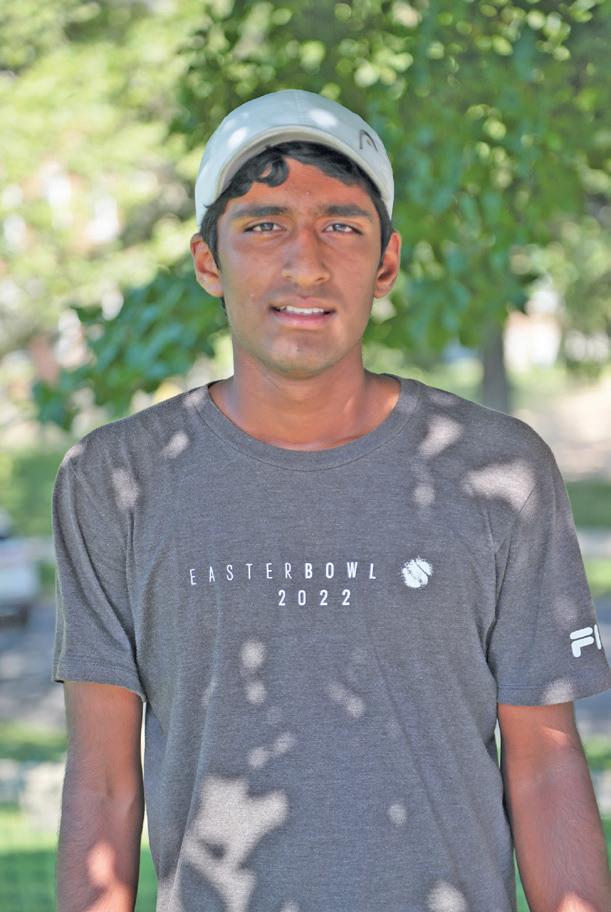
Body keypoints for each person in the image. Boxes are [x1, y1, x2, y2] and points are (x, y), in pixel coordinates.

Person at [52, 89, 611, 912]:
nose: (305, 263)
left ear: (385, 263)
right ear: (208, 261)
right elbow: (102, 783)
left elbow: (545, 764)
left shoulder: (499, 472)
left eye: (341, 226)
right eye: (263, 225)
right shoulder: (115, 481)